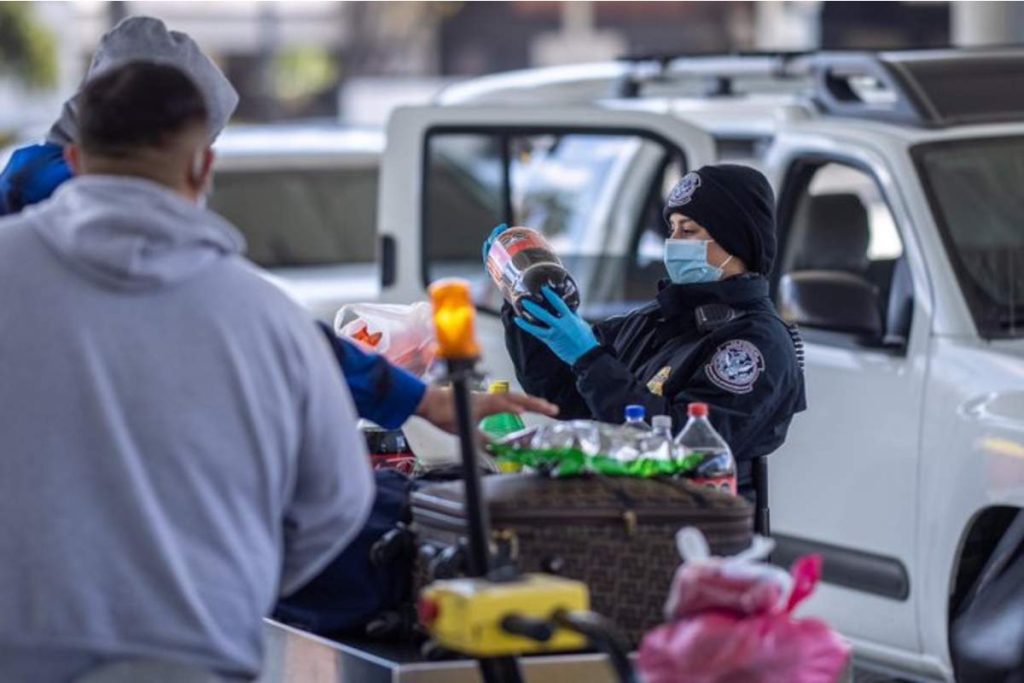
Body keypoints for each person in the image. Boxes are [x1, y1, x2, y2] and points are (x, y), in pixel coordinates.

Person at [0, 15, 557, 433]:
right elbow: (274, 340)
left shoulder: (30, 206)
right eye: (200, 145)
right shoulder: (112, 229)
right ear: (199, 165)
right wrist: (425, 401)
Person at [0, 61, 375, 680]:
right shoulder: (269, 320)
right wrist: (222, 584)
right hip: (192, 657)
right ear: (204, 165)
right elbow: (337, 500)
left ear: (71, 161)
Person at [491, 164, 806, 496]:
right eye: (671, 229)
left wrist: (591, 359)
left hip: (697, 528)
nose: (674, 242)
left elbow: (681, 446)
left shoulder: (757, 344)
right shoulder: (660, 318)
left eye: (689, 230)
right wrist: (521, 300)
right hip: (622, 513)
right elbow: (565, 398)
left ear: (735, 243)